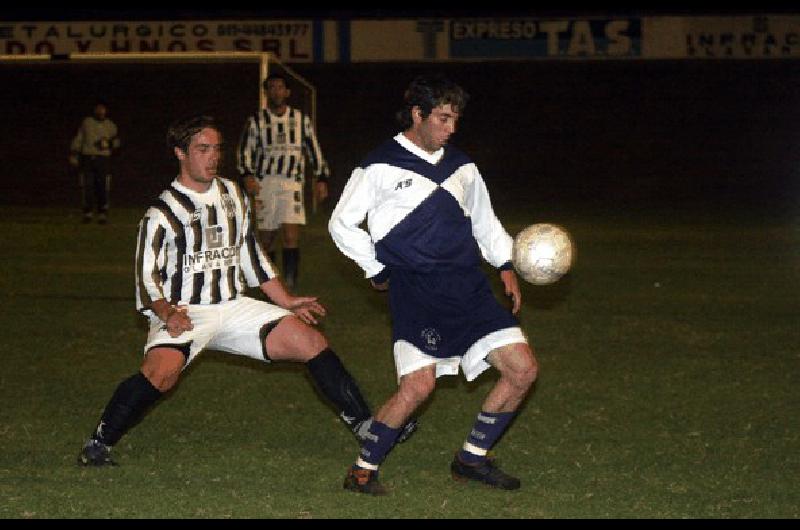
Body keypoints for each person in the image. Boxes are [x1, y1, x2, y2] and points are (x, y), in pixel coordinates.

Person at [77, 115, 414, 467]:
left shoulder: (231, 194)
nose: (212, 157)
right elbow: (146, 278)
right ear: (180, 153)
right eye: (202, 149)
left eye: (216, 149)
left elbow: (249, 253)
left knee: (310, 342)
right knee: (161, 375)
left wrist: (285, 300)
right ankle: (99, 442)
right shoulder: (161, 213)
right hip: (186, 311)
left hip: (234, 306)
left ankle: (364, 424)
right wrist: (167, 314)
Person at [329, 74, 538, 495]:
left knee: (522, 370)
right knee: (418, 386)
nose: (451, 128)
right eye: (443, 118)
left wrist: (505, 264)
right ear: (417, 114)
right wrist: (376, 269)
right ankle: (362, 470)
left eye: (455, 119)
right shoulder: (379, 165)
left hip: (469, 288)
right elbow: (341, 223)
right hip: (417, 289)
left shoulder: (462, 166)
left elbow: (484, 221)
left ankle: (471, 459)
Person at [236, 72, 331, 289]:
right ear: (266, 92)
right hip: (265, 183)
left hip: (292, 182)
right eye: (272, 87)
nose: (276, 91)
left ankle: (289, 283)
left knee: (290, 235)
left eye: (280, 87)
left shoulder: (300, 120)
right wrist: (246, 175)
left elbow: (313, 149)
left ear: (287, 92)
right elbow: (244, 151)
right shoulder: (256, 121)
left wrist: (321, 178)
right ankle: (267, 284)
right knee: (267, 237)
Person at [69, 101, 120, 224]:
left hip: (103, 158)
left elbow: (117, 141)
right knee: (87, 185)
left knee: (102, 185)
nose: (100, 112)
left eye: (102, 109)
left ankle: (102, 213)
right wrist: (74, 153)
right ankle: (88, 212)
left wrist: (108, 144)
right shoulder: (87, 123)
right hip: (88, 157)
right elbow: (79, 138)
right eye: (98, 109)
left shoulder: (110, 125)